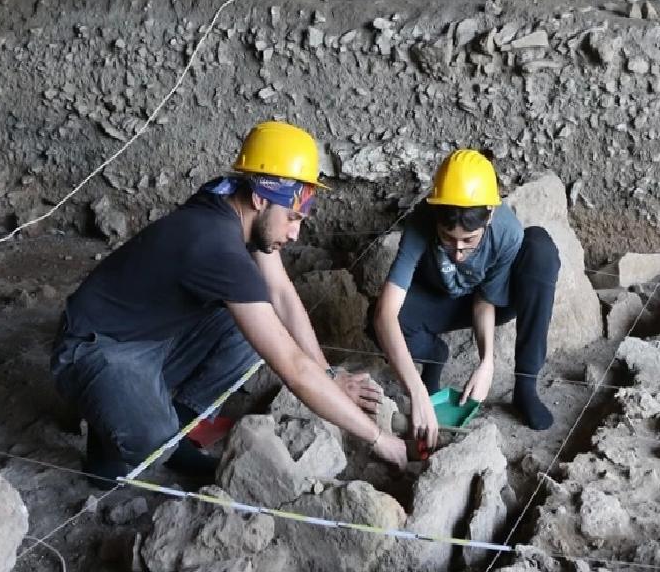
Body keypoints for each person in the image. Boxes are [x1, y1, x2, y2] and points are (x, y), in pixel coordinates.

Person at [51, 120, 407, 484]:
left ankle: (168, 428)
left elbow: (281, 292)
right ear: (260, 199)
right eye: (292, 218)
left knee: (256, 329)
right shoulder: (216, 246)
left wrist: (330, 376)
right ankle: (124, 430)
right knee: (150, 440)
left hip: (151, 331)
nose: (295, 232)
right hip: (94, 348)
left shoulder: (230, 196)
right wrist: (378, 438)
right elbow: (295, 371)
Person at [367, 149, 560, 450]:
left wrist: (487, 362)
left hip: (491, 302)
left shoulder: (505, 229)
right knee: (375, 321)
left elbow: (485, 301)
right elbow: (385, 314)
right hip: (440, 298)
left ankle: (526, 386)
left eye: (469, 241)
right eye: (447, 238)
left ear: (490, 215)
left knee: (540, 249)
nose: (457, 252)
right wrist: (416, 393)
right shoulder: (421, 221)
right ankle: (434, 357)